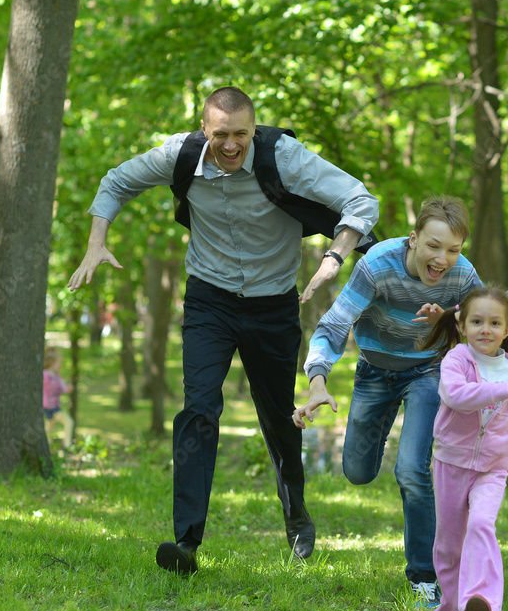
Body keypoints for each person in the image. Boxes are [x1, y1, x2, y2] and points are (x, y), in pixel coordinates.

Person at [68, 86, 379, 575]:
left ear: (253, 130)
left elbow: (361, 200)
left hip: (274, 304)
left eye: (240, 134)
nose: (230, 145)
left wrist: (335, 256)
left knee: (279, 418)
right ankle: (186, 543)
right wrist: (96, 242)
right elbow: (115, 182)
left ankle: (296, 514)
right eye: (219, 135)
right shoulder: (180, 155)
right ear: (203, 128)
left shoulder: (286, 158)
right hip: (209, 300)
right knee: (199, 410)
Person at [293, 196, 481, 608]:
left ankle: (424, 577)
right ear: (413, 240)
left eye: (453, 250)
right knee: (358, 472)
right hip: (375, 372)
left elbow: (485, 329)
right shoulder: (377, 265)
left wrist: (448, 322)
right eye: (434, 246)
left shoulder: (464, 276)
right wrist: (317, 382)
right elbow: (334, 324)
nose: (443, 259)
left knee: (412, 470)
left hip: (428, 372)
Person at [416, 287, 508, 611]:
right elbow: (456, 396)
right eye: (477, 321)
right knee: (449, 543)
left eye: (495, 323)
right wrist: (502, 389)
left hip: (494, 467)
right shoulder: (457, 360)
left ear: (507, 329)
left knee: (482, 524)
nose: (486, 329)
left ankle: (482, 602)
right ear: (462, 325)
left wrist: (500, 438)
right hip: (452, 461)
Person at [43, 346, 74, 449]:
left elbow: (63, 388)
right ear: (52, 362)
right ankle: (49, 447)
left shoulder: (57, 376)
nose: (60, 365)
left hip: (55, 407)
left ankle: (67, 444)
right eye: (59, 362)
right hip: (47, 407)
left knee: (68, 422)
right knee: (48, 430)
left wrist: (68, 389)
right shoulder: (45, 375)